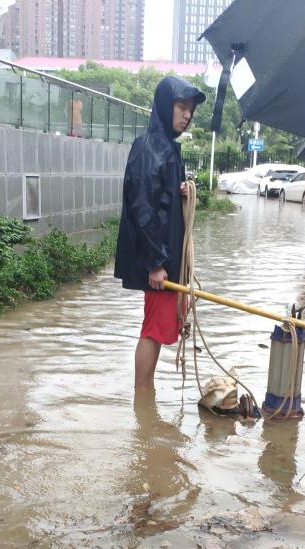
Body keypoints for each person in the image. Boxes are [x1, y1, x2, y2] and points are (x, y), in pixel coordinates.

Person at [114, 76, 205, 390]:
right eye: (181, 107)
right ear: (166, 106)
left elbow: (160, 200)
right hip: (159, 260)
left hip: (168, 257)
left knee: (157, 326)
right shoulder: (149, 147)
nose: (187, 115)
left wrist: (179, 189)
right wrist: (155, 262)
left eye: (190, 110)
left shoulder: (168, 148)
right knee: (152, 329)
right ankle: (143, 398)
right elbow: (142, 207)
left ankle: (145, 396)